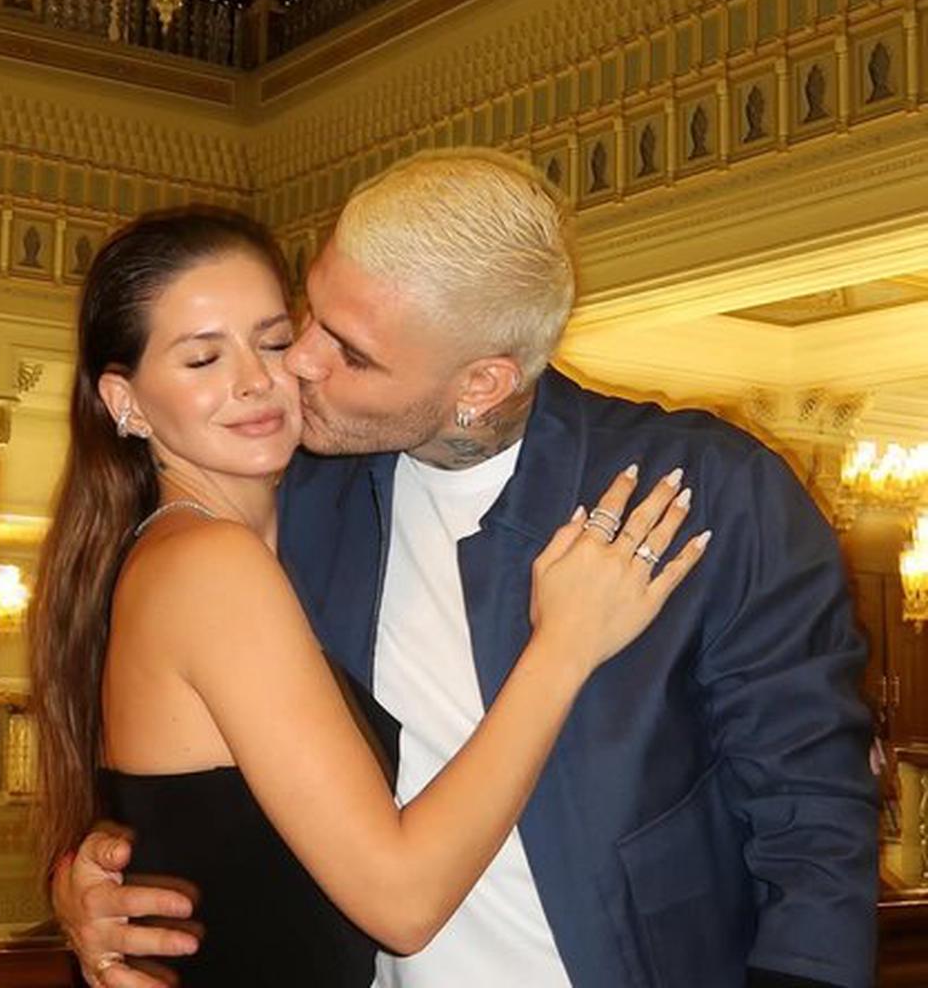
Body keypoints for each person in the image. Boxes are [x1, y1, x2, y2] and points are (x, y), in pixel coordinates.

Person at [54, 152, 878, 988]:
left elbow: (814, 817)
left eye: (349, 352)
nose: (296, 363)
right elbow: (204, 758)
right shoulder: (297, 492)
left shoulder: (706, 491)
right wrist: (99, 875)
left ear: (481, 383)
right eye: (309, 315)